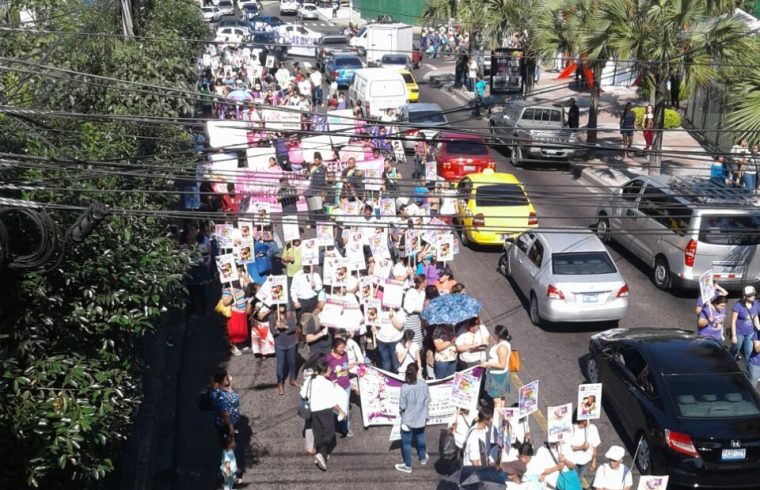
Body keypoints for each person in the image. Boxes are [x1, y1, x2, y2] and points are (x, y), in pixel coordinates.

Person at [301, 358, 347, 471]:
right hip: (325, 411)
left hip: (313, 411)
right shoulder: (327, 383)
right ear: (325, 371)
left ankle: (322, 454)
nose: (331, 370)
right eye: (329, 368)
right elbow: (332, 402)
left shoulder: (310, 380)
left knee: (319, 432)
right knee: (330, 433)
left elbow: (302, 393)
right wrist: (341, 411)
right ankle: (321, 453)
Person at [395, 363, 431, 473]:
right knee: (420, 437)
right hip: (421, 417)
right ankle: (423, 458)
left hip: (408, 419)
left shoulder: (404, 387)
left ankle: (408, 466)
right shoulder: (423, 384)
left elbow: (402, 406)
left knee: (406, 443)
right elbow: (428, 399)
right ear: (417, 372)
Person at [210, 370, 242, 485]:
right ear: (222, 381)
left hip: (228, 425)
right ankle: (228, 481)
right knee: (228, 454)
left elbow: (231, 394)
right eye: (226, 377)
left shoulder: (221, 391)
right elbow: (225, 415)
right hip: (226, 427)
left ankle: (230, 478)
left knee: (228, 452)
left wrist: (230, 384)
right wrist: (231, 431)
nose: (229, 378)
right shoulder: (220, 397)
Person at [269, 304, 299, 395]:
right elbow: (272, 331)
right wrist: (276, 327)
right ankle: (280, 383)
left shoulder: (291, 314)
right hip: (279, 344)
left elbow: (294, 327)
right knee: (280, 365)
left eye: (283, 305)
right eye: (279, 305)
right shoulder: (272, 317)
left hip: (291, 342)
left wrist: (285, 326)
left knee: (292, 362)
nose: (281, 307)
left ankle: (292, 379)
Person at [480, 324, 511, 408]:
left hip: (498, 377)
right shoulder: (504, 343)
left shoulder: (502, 348)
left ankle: (497, 419)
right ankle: (502, 415)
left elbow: (502, 365)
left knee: (496, 400)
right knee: (502, 396)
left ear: (497, 334)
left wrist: (488, 364)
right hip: (501, 375)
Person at [731, 285, 760, 369]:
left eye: (754, 294)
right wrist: (733, 335)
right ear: (745, 296)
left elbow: (755, 316)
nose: (753, 297)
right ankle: (731, 365)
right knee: (735, 349)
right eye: (750, 295)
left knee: (749, 352)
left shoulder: (756, 303)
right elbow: (733, 321)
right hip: (739, 332)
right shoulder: (737, 306)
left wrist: (759, 328)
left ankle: (749, 371)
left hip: (751, 332)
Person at [567, 414, 601, 482]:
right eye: (588, 419)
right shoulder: (571, 429)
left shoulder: (592, 428)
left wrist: (594, 460)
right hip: (573, 462)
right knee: (572, 481)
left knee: (579, 479)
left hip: (585, 461)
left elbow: (594, 445)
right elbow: (567, 448)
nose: (590, 421)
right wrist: (581, 447)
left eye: (591, 419)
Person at [222, 281, 250, 356]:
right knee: (234, 331)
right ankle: (233, 347)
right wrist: (231, 295)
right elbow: (225, 302)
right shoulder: (227, 290)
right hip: (234, 313)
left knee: (241, 330)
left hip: (242, 312)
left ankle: (239, 344)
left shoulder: (239, 286)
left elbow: (249, 285)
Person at [403, 274, 427, 351]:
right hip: (410, 319)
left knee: (419, 340)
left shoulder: (423, 293)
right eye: (425, 281)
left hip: (419, 319)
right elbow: (407, 307)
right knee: (411, 339)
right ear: (421, 283)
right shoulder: (411, 292)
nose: (427, 282)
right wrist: (420, 310)